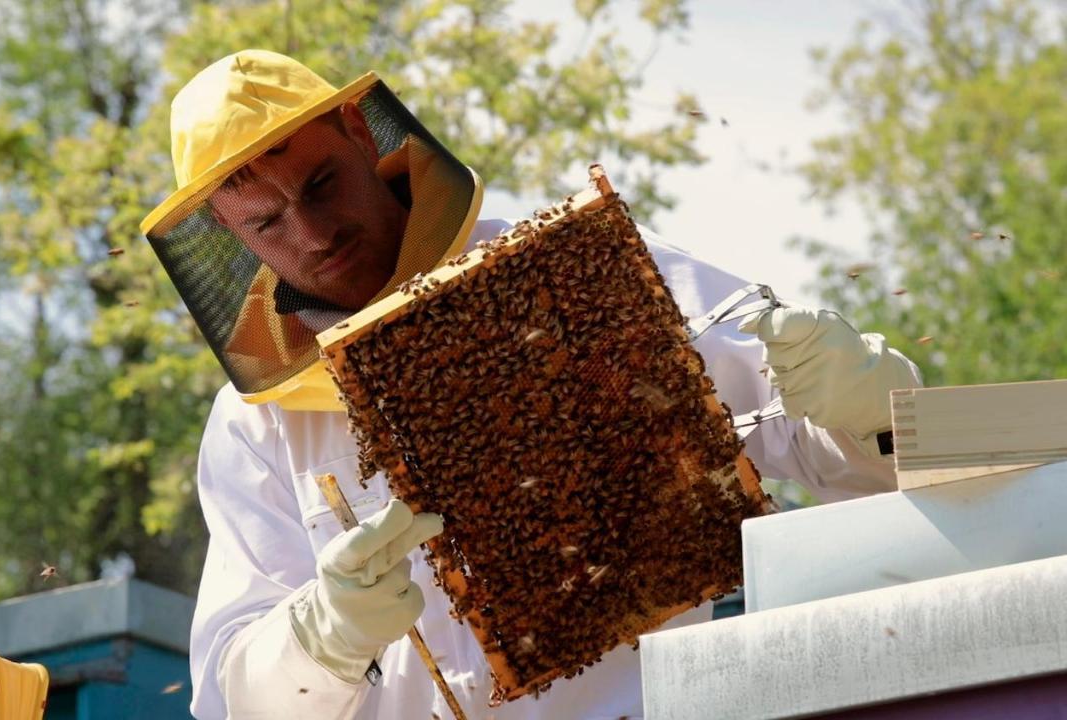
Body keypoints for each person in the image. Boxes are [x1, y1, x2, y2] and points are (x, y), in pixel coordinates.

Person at [140, 50, 922, 719]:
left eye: (320, 186)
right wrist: (321, 635)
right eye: (267, 223)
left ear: (357, 132)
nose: (313, 235)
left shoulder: (564, 267)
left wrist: (869, 405)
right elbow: (230, 692)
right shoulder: (256, 428)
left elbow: (837, 450)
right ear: (225, 229)